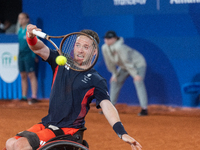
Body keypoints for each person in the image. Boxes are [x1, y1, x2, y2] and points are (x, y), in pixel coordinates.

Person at [4, 24, 142, 150]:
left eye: (86, 47)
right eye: (78, 45)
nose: (80, 50)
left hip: (68, 131)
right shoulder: (60, 62)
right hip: (47, 124)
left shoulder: (95, 79)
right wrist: (30, 36)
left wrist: (121, 132)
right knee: (10, 143)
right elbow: (38, 47)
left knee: (20, 146)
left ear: (94, 52)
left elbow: (107, 105)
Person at [102, 31, 148, 116]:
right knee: (114, 81)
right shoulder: (104, 48)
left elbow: (127, 62)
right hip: (124, 67)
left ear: (115, 39)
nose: (107, 40)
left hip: (138, 64)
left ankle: (144, 109)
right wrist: (114, 74)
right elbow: (109, 63)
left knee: (138, 81)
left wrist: (135, 75)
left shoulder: (120, 47)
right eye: (106, 38)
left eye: (109, 38)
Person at [17, 13, 38, 104]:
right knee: (23, 75)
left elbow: (35, 43)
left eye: (22, 18)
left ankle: (34, 97)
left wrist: (34, 55)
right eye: (19, 19)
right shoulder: (19, 30)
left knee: (31, 75)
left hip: (29, 55)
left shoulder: (30, 30)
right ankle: (24, 96)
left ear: (27, 19)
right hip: (21, 56)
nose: (20, 20)